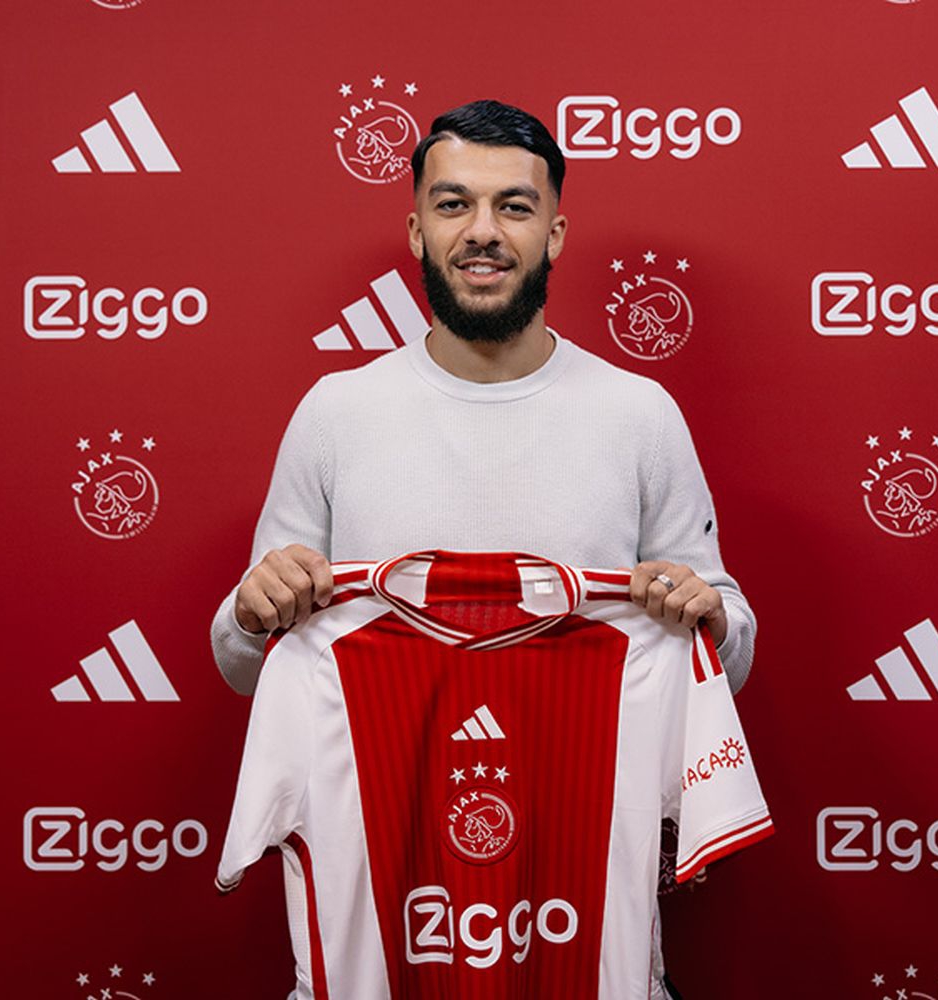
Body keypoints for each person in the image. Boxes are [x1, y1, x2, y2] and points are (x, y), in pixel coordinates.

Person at [208, 99, 758, 996]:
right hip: (390, 929)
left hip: (581, 919)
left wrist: (706, 618)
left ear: (556, 232)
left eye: (515, 206)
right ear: (418, 229)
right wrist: (250, 610)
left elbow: (723, 658)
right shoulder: (336, 414)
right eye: (454, 204)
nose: (484, 231)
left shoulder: (638, 414)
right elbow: (250, 663)